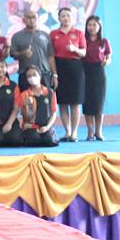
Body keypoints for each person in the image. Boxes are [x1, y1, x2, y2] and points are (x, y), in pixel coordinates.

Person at [50, 8, 86, 142]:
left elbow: (84, 53)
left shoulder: (78, 33)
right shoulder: (53, 34)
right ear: (59, 18)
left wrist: (74, 49)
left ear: (72, 18)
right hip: (60, 67)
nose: (65, 18)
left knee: (75, 103)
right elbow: (51, 56)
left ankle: (74, 133)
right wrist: (54, 74)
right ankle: (67, 132)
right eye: (63, 16)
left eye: (68, 16)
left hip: (75, 68)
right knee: (63, 102)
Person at [10, 10, 57, 91]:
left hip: (44, 74)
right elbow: (13, 55)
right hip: (26, 75)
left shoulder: (45, 35)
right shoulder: (17, 36)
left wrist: (54, 75)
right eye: (28, 18)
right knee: (25, 98)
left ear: (37, 19)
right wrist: (23, 53)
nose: (31, 20)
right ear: (23, 20)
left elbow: (50, 57)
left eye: (34, 17)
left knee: (45, 98)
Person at [83, 15, 111, 141]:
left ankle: (98, 132)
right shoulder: (83, 40)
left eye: (94, 25)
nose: (91, 27)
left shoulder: (104, 41)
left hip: (99, 72)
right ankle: (90, 132)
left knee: (99, 103)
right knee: (87, 103)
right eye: (89, 25)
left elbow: (108, 56)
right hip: (85, 71)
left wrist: (106, 61)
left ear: (99, 26)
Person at [17, 66, 59, 147]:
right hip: (31, 126)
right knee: (34, 140)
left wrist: (47, 127)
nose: (32, 77)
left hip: (46, 125)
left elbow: (54, 113)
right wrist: (27, 106)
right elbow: (25, 118)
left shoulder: (50, 92)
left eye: (34, 74)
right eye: (29, 76)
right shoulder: (24, 95)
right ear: (27, 79)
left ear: (40, 76)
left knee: (49, 141)